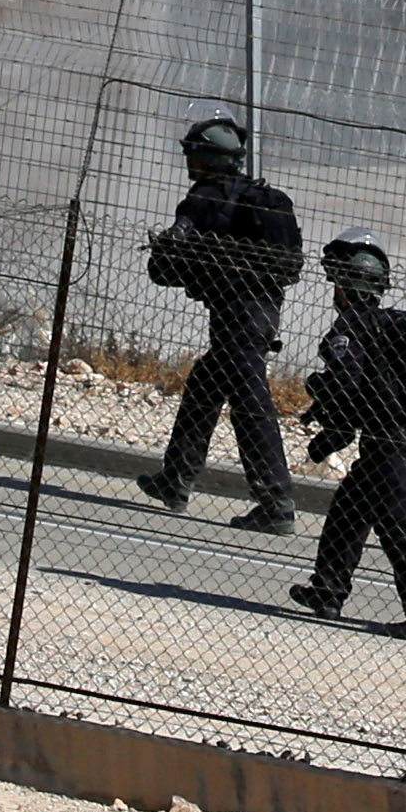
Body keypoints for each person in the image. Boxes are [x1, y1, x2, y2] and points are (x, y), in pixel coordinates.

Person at [131, 113, 306, 532]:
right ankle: (175, 479)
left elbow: (166, 266)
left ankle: (275, 503)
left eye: (195, 155)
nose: (190, 162)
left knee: (251, 406)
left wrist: (171, 253)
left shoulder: (204, 200)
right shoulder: (258, 198)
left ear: (209, 158)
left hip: (235, 317)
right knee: (206, 383)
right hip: (262, 313)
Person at [291, 230, 406, 641]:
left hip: (388, 440)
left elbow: (347, 387)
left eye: (337, 281)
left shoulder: (351, 327)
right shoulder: (389, 326)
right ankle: (327, 590)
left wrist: (328, 427)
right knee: (350, 507)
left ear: (345, 285)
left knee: (400, 528)